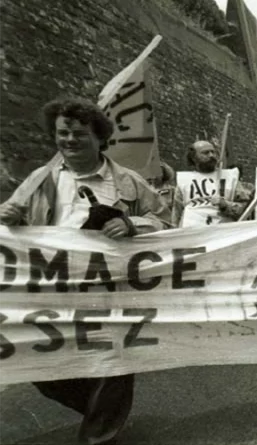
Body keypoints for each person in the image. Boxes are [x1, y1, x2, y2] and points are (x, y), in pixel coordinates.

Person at [0, 96, 171, 445]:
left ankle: (98, 434)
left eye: (79, 133)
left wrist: (132, 223)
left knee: (115, 361)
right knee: (43, 366)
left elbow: (165, 220)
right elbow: (10, 212)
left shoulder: (127, 181)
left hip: (111, 287)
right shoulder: (39, 178)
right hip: (53, 287)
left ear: (99, 137)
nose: (69, 140)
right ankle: (103, 410)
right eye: (63, 133)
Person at [174, 140, 252, 227]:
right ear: (193, 157)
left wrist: (226, 205)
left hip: (223, 232)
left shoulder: (230, 177)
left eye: (213, 152)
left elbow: (247, 209)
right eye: (205, 153)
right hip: (193, 233)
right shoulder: (185, 180)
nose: (211, 155)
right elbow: (176, 214)